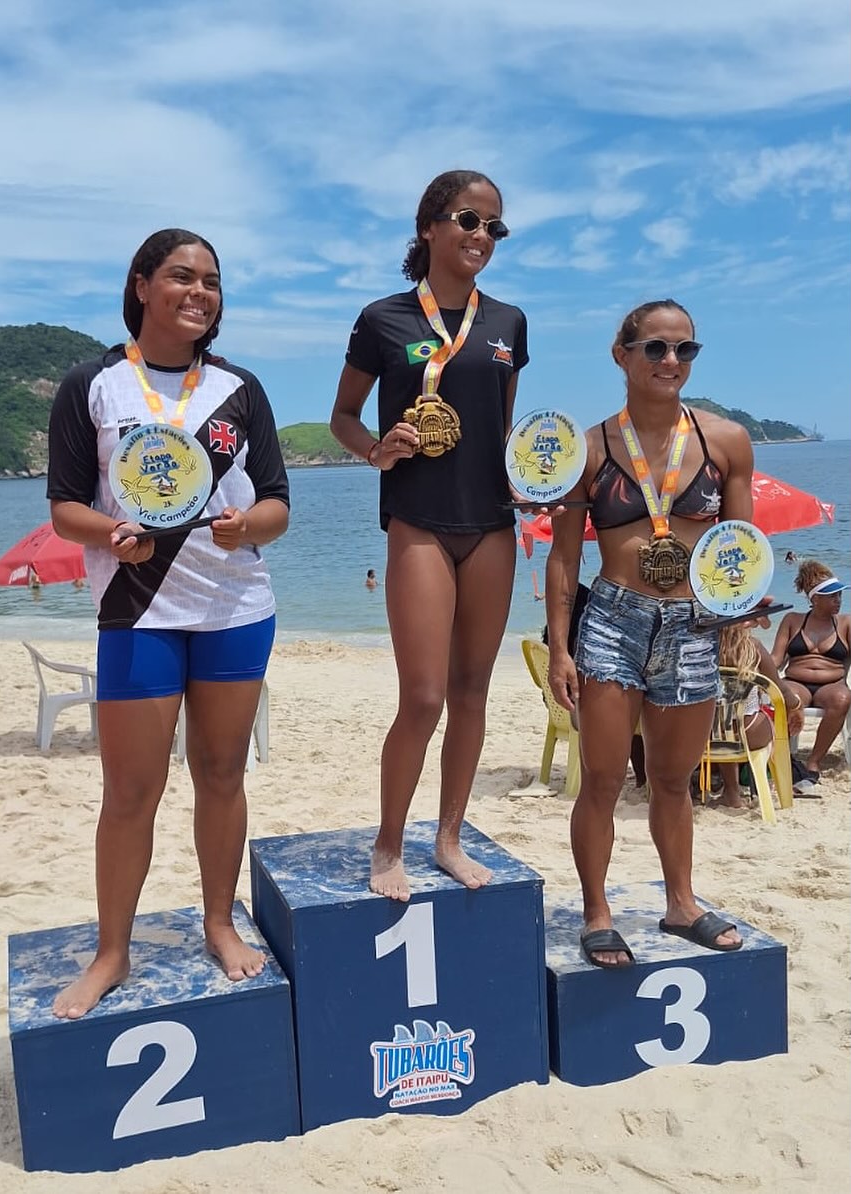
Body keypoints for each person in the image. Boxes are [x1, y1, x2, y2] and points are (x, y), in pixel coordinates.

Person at [46, 228, 290, 1019]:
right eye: (182, 276)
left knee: (221, 776)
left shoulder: (240, 389)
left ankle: (219, 922)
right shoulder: (93, 385)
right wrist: (111, 531)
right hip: (137, 610)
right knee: (130, 792)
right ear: (142, 284)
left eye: (211, 281)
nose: (200, 292)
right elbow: (66, 508)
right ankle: (111, 952)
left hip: (234, 608)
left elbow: (278, 506)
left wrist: (246, 526)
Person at [330, 169, 527, 901]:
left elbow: (503, 429)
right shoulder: (383, 318)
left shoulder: (508, 322)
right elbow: (344, 417)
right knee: (422, 697)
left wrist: (532, 480)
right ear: (429, 227)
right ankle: (389, 844)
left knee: (472, 691)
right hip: (418, 521)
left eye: (494, 227)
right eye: (468, 220)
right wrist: (376, 450)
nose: (482, 235)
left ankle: (448, 837)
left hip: (493, 524)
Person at [546, 298, 756, 967]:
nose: (671, 360)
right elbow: (563, 557)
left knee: (673, 779)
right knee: (603, 779)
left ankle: (681, 904)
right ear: (622, 355)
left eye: (685, 349)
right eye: (656, 348)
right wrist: (559, 648)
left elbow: (740, 547)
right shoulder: (590, 449)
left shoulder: (727, 441)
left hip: (692, 626)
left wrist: (737, 618)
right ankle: (597, 912)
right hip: (614, 619)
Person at [771, 561, 851, 781]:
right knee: (786, 697)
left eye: (839, 595)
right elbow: (776, 659)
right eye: (832, 596)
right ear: (815, 599)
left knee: (842, 699)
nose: (838, 600)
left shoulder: (845, 623)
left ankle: (814, 761)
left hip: (832, 685)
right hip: (796, 681)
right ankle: (785, 757)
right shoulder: (793, 620)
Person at [714, 624, 804, 807]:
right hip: (749, 732)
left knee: (723, 721)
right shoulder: (752, 647)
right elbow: (779, 689)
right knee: (753, 722)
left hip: (702, 734)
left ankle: (731, 791)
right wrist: (797, 706)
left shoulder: (698, 647)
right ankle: (767, 782)